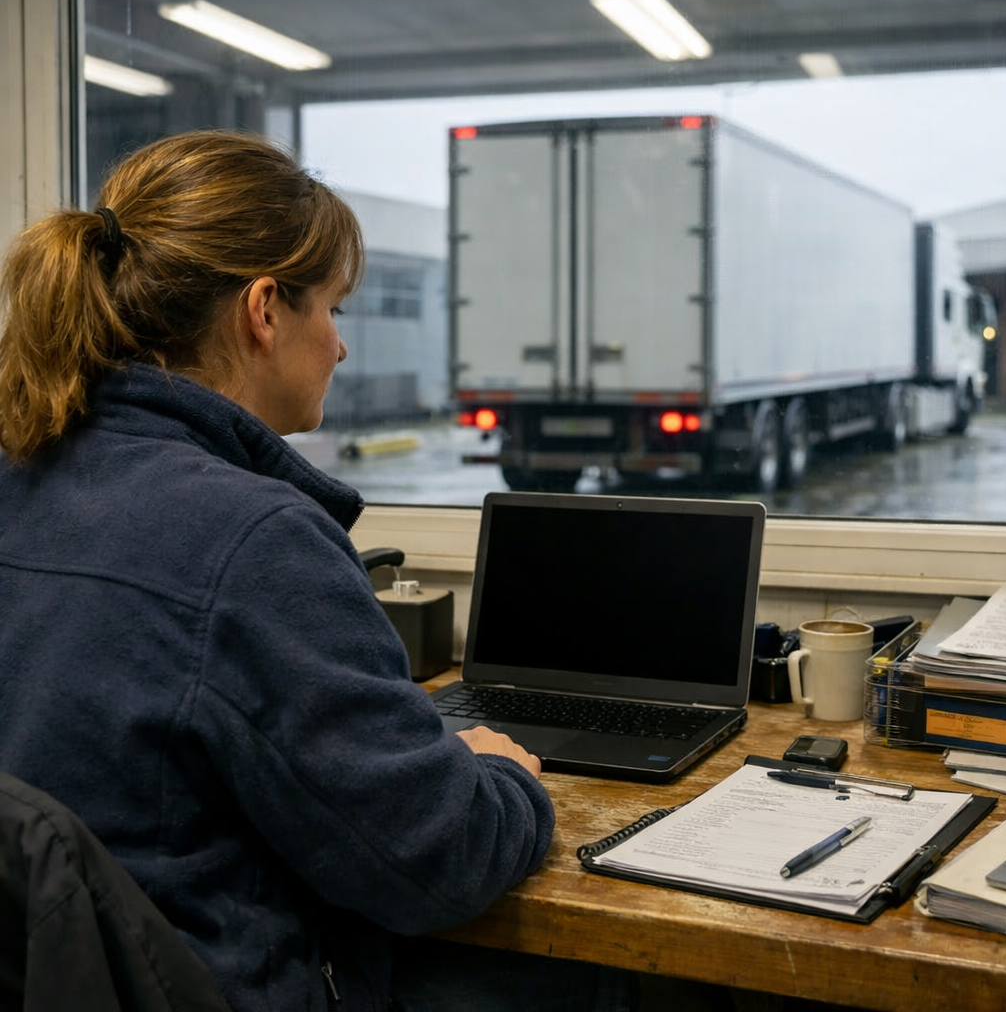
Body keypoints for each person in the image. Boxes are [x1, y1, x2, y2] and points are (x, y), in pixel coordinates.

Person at [0, 130, 636, 1012]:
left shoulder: (22, 469)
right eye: (333, 308)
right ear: (264, 311)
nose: (339, 346)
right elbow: (440, 859)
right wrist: (503, 775)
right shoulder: (251, 539)